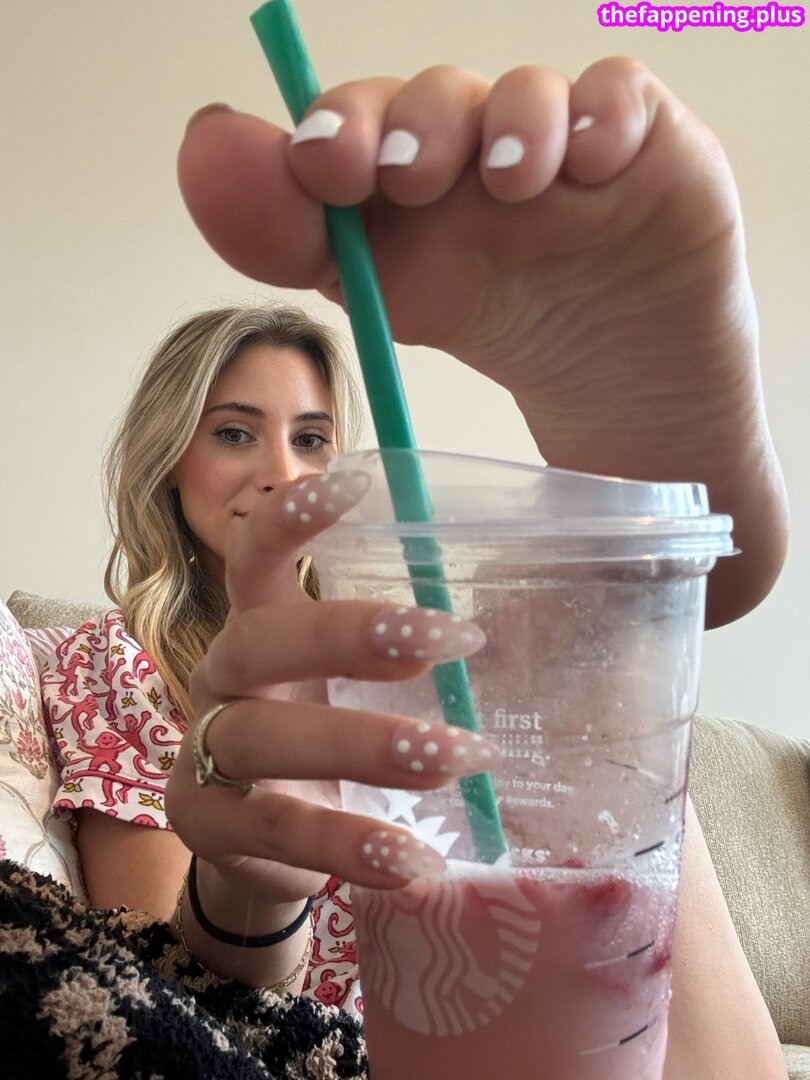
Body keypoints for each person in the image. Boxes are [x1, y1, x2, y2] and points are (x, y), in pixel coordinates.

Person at [39, 59, 788, 1078]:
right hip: (323, 1044)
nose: (283, 472)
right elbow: (158, 999)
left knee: (567, 696)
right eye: (235, 433)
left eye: (313, 438)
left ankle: (626, 558)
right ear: (169, 460)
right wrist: (251, 881)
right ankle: (634, 540)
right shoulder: (108, 662)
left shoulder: (408, 651)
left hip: (535, 1005)